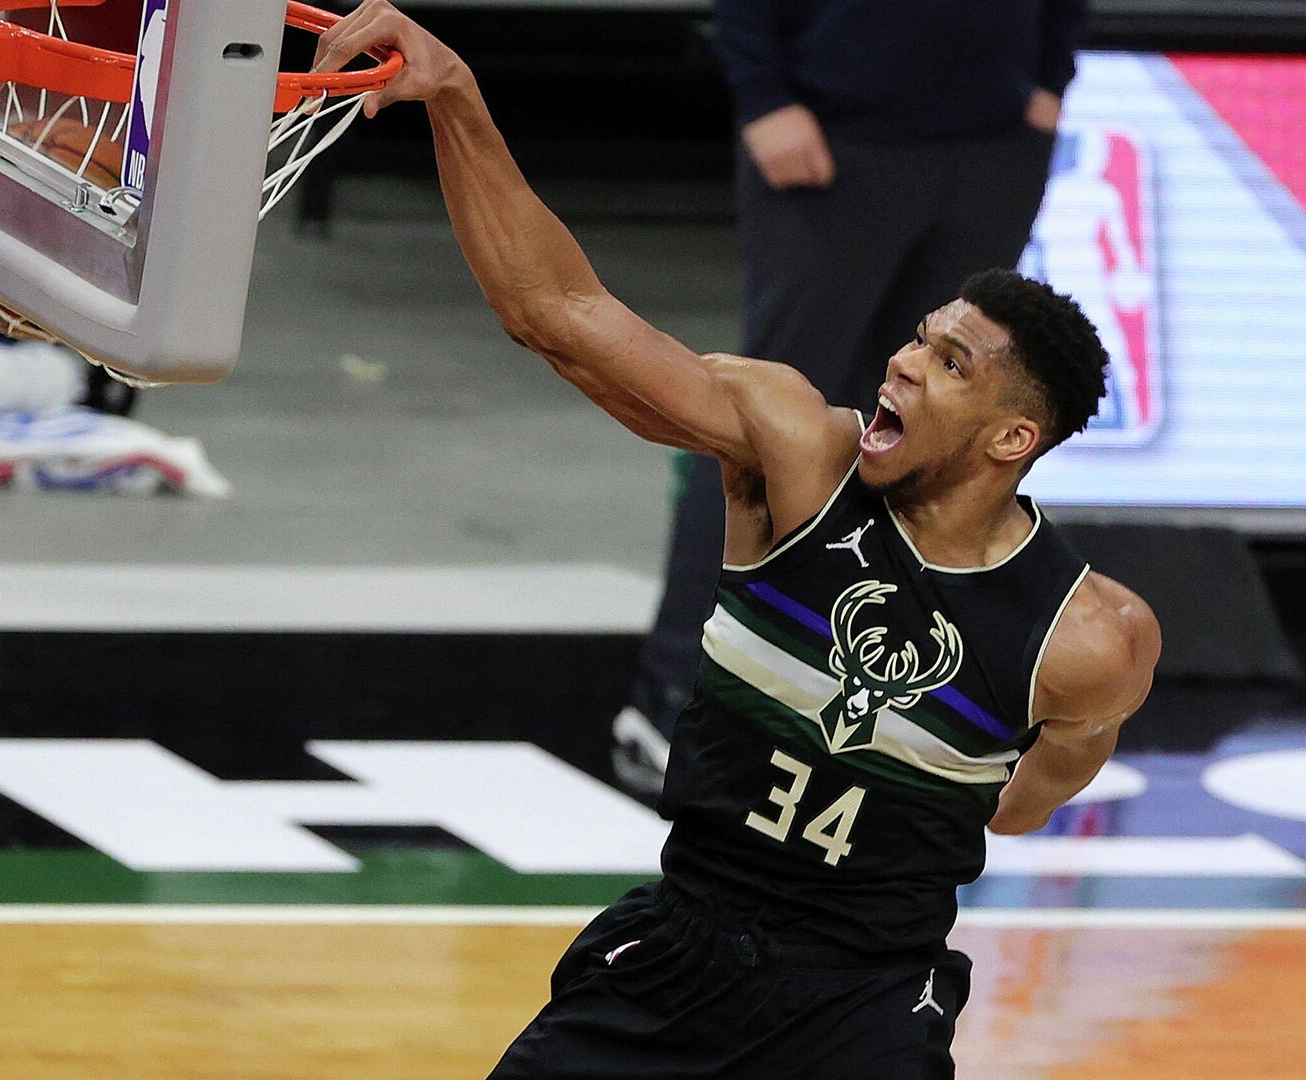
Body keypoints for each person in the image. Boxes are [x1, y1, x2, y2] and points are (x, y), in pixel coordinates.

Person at [316, 6, 1156, 1076]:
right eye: (916, 337)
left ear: (1012, 438)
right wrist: (457, 97)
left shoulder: (1090, 638)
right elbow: (557, 310)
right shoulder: (799, 453)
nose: (899, 362)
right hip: (677, 956)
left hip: (864, 1003)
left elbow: (1024, 806)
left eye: (948, 363)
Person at [614, 0, 1091, 795]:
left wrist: (1049, 77)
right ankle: (675, 697)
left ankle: (871, 697)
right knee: (759, 419)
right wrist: (764, 95)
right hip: (835, 130)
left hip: (994, 138)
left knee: (938, 432)